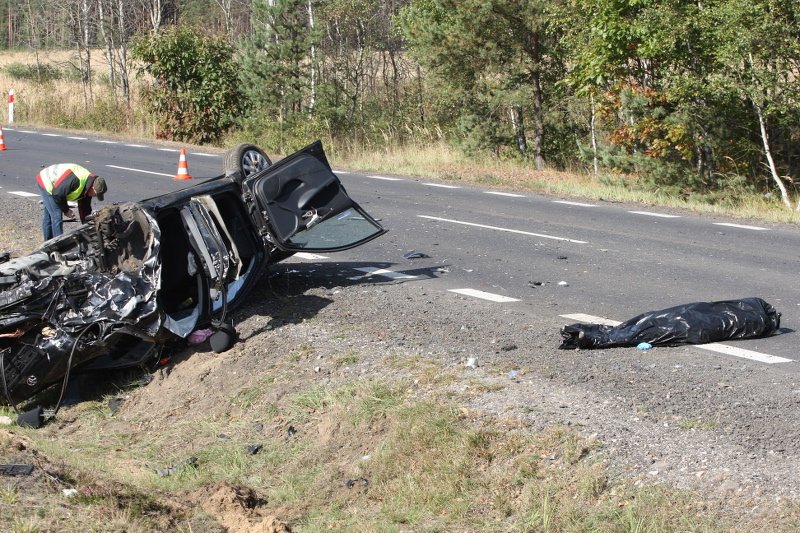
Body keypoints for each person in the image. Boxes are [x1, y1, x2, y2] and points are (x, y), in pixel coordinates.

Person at [36, 163, 107, 241]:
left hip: (57, 188)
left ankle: (47, 244)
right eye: (96, 194)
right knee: (56, 216)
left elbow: (85, 209)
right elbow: (57, 194)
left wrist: (88, 227)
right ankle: (57, 245)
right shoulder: (76, 180)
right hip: (47, 181)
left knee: (49, 215)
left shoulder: (88, 187)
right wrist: (66, 210)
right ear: (93, 188)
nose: (95, 196)